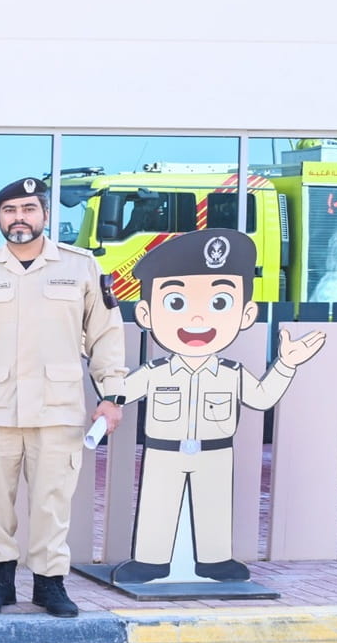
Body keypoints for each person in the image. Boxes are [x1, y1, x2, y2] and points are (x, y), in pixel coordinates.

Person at [0, 179, 127, 618]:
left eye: (27, 209)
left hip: (57, 409)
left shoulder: (81, 268)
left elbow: (106, 336)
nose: (18, 217)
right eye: (9, 211)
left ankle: (49, 584)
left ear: (44, 215)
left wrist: (112, 395)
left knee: (51, 502)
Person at [112, 230, 325, 585]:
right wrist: (90, 355)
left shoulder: (232, 373)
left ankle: (214, 561)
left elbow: (261, 398)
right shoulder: (154, 372)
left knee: (214, 507)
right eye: (177, 303)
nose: (197, 319)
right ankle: (150, 561)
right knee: (157, 506)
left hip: (215, 452)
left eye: (220, 303)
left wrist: (286, 364)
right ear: (147, 314)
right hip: (164, 452)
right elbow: (118, 392)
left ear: (246, 313)